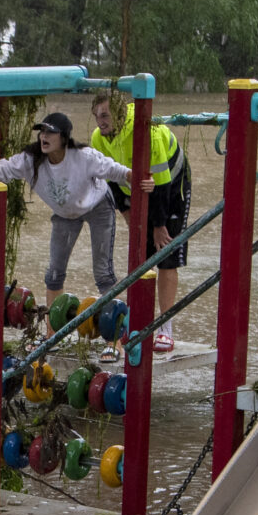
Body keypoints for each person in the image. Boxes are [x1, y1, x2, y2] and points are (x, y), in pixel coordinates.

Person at [0, 111, 152, 362]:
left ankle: (115, 340)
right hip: (64, 214)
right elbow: (1, 170)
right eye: (42, 131)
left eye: (50, 132)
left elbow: (116, 171)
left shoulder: (83, 157)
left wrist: (141, 180)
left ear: (64, 137)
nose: (44, 137)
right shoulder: (32, 160)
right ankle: (52, 335)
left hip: (98, 207)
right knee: (53, 274)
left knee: (103, 274)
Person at [90, 95, 191, 352]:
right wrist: (124, 209)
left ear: (120, 116)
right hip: (137, 186)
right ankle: (138, 324)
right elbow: (109, 179)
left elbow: (163, 184)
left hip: (171, 183)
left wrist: (158, 226)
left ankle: (165, 328)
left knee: (165, 253)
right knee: (140, 256)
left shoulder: (147, 131)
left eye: (105, 116)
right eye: (97, 116)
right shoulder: (97, 139)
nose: (100, 122)